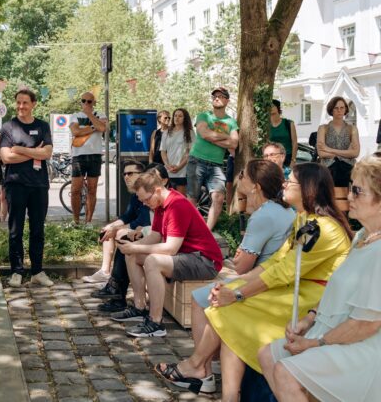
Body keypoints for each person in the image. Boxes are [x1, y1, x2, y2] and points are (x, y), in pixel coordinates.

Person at [156, 163, 352, 399]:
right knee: (228, 315)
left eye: (291, 181)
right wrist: (234, 285)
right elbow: (275, 263)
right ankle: (225, 391)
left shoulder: (325, 228)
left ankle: (199, 367)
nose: (284, 183)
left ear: (308, 189)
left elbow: (285, 272)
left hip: (313, 300)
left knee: (226, 312)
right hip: (293, 289)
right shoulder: (304, 219)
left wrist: (239, 293)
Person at [259, 155, 381, 402]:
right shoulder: (361, 238)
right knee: (268, 355)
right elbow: (337, 290)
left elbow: (367, 324)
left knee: (285, 372)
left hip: (363, 349)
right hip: (331, 333)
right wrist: (309, 319)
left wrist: (314, 345)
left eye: (357, 191)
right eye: (350, 189)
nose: (349, 197)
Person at [187, 160, 294, 382]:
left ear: (256, 186)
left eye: (243, 174)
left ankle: (203, 371)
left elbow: (241, 266)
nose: (239, 178)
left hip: (259, 281)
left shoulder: (263, 215)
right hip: (270, 277)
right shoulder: (285, 210)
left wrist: (235, 258)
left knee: (199, 299)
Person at [114, 170, 223, 338]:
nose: (144, 204)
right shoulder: (159, 204)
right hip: (188, 256)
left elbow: (170, 248)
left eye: (146, 199)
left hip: (205, 261)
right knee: (133, 255)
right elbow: (155, 237)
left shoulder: (177, 205)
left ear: (157, 190)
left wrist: (136, 247)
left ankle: (155, 322)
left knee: (152, 261)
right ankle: (139, 307)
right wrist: (131, 246)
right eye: (141, 200)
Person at [0, 89, 54, 288]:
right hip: (15, 184)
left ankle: (37, 271)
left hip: (38, 185)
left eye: (25, 103)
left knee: (37, 230)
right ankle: (16, 271)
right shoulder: (8, 127)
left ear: (34, 104)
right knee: (16, 230)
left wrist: (20, 149)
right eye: (18, 103)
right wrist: (35, 152)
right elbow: (6, 157)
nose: (21, 106)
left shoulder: (42, 126)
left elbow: (47, 152)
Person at [89, 161, 151, 312]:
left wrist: (118, 228)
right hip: (147, 233)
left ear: (142, 175)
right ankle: (109, 278)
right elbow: (127, 215)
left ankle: (116, 290)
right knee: (114, 231)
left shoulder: (147, 192)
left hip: (151, 234)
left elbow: (144, 221)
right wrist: (113, 226)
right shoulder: (135, 195)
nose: (126, 177)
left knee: (123, 236)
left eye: (130, 173)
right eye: (124, 174)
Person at [187, 87, 239, 231]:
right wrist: (226, 136)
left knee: (218, 198)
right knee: (192, 199)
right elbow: (204, 133)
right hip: (197, 160)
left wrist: (213, 137)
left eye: (221, 96)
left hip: (216, 165)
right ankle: (187, 230)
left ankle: (206, 232)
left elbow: (234, 143)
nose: (216, 98)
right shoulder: (204, 115)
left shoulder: (231, 122)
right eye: (214, 96)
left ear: (227, 101)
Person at [69, 92, 107, 224]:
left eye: (89, 101)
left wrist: (89, 114)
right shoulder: (75, 116)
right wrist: (93, 127)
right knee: (75, 190)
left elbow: (102, 127)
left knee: (92, 189)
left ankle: (88, 222)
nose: (86, 103)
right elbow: (75, 132)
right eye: (83, 101)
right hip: (78, 156)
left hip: (95, 155)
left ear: (94, 103)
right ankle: (76, 220)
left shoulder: (100, 114)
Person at [316, 96, 359, 187]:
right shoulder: (323, 128)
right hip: (328, 169)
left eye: (342, 107)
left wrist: (329, 149)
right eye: (336, 108)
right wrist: (346, 154)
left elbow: (355, 153)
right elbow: (321, 153)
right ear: (331, 110)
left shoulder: (352, 129)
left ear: (345, 109)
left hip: (348, 169)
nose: (339, 110)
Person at [160, 108, 194, 195]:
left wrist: (179, 167)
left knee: (180, 199)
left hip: (182, 171)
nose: (177, 118)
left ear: (184, 118)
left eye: (180, 116)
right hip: (168, 170)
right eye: (175, 115)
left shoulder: (189, 133)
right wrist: (167, 165)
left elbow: (189, 153)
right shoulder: (166, 132)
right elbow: (163, 151)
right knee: (167, 198)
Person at [269, 100, 297, 167]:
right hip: (272, 158)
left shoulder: (289, 123)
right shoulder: (266, 126)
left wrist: (293, 160)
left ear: (278, 110)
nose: (270, 108)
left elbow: (295, 143)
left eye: (272, 106)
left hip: (287, 158)